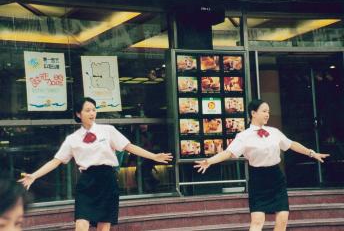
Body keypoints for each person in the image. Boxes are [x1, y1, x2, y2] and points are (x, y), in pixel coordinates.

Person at [19, 97, 173, 231]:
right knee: (81, 224)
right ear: (78, 114)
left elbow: (129, 146)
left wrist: (154, 156)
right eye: (87, 110)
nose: (92, 113)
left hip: (107, 179)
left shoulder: (108, 130)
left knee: (104, 226)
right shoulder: (73, 139)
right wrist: (34, 175)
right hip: (87, 182)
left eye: (94, 109)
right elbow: (56, 161)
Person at [194, 99, 329, 231]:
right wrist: (210, 161)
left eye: (268, 112)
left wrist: (312, 153)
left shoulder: (274, 131)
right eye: (264, 111)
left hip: (276, 177)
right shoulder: (243, 136)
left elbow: (291, 144)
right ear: (253, 113)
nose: (267, 114)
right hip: (258, 179)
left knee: (282, 220)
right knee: (258, 221)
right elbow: (229, 153)